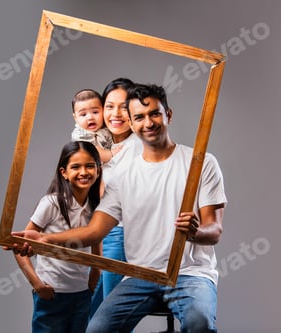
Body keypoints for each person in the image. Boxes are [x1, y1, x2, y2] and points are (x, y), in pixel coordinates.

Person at [13, 83, 226, 332]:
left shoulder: (201, 163)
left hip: (190, 274)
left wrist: (195, 232)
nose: (148, 123)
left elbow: (215, 230)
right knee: (96, 330)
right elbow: (94, 232)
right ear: (132, 123)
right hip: (139, 276)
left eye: (154, 113)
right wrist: (44, 238)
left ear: (168, 114)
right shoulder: (123, 173)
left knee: (198, 322)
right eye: (139, 117)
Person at [13, 141, 102, 333]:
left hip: (81, 295)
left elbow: (97, 254)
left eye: (90, 166)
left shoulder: (97, 208)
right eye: (75, 167)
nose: (84, 172)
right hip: (52, 295)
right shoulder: (52, 203)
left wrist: (91, 285)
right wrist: (37, 285)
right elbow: (19, 247)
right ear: (64, 172)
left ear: (98, 169)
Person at [89, 78, 142, 317]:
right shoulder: (102, 142)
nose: (116, 113)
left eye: (124, 106)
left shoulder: (137, 146)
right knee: (91, 309)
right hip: (99, 233)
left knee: (110, 314)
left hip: (120, 234)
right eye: (109, 106)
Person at [71, 89, 116, 163]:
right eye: (83, 114)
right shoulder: (80, 134)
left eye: (95, 112)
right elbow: (96, 153)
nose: (90, 117)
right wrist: (112, 153)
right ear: (75, 118)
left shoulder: (106, 127)